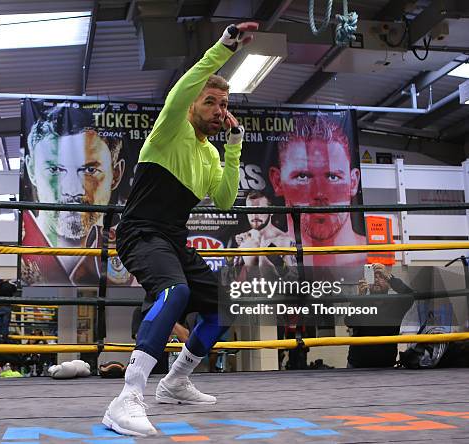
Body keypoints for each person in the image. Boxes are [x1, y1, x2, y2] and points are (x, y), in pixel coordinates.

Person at [101, 22, 258, 437]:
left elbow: (225, 199)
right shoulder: (170, 129)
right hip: (139, 232)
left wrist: (235, 143)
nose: (219, 111)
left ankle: (174, 382)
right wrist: (226, 46)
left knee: (227, 305)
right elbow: (185, 86)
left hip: (172, 238)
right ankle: (127, 399)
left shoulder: (209, 155)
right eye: (210, 102)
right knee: (175, 292)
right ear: (192, 105)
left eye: (224, 105)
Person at [22, 117, 127, 285]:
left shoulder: (127, 254)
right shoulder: (24, 247)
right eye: (55, 169)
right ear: (31, 170)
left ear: (116, 174)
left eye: (90, 170)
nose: (73, 191)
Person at [269, 115, 366, 269]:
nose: (319, 193)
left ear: (353, 182)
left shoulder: (374, 255)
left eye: (333, 177)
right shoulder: (259, 256)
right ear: (277, 181)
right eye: (303, 176)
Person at [346, 263, 414, 368]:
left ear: (388, 283)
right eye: (373, 277)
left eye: (381, 277)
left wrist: (391, 278)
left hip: (386, 364)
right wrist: (360, 298)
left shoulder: (396, 303)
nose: (377, 280)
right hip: (358, 364)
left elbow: (412, 296)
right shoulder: (362, 302)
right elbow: (349, 322)